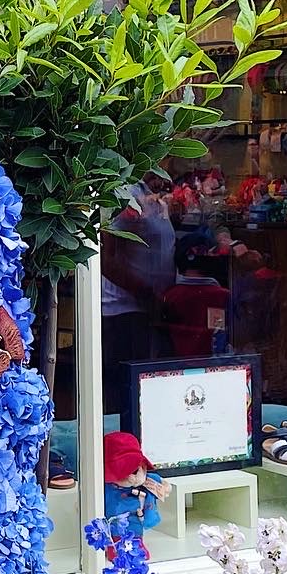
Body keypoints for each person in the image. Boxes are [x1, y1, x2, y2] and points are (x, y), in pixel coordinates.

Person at [101, 176, 175, 412]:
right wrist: (147, 294)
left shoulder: (149, 193)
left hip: (149, 311)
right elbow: (107, 259)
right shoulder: (125, 193)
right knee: (126, 394)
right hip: (124, 312)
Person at [160, 234, 230, 358]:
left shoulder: (170, 296)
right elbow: (218, 336)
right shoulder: (221, 296)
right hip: (213, 368)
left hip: (174, 368)